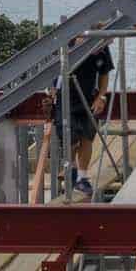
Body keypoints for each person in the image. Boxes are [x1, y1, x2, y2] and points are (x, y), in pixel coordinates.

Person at [52, 39, 113, 198]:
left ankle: (82, 177)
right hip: (65, 97)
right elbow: (51, 71)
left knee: (87, 137)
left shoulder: (100, 44)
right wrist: (50, 92)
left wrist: (101, 97)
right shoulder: (66, 42)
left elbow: (104, 73)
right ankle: (70, 171)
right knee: (69, 136)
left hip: (88, 97)